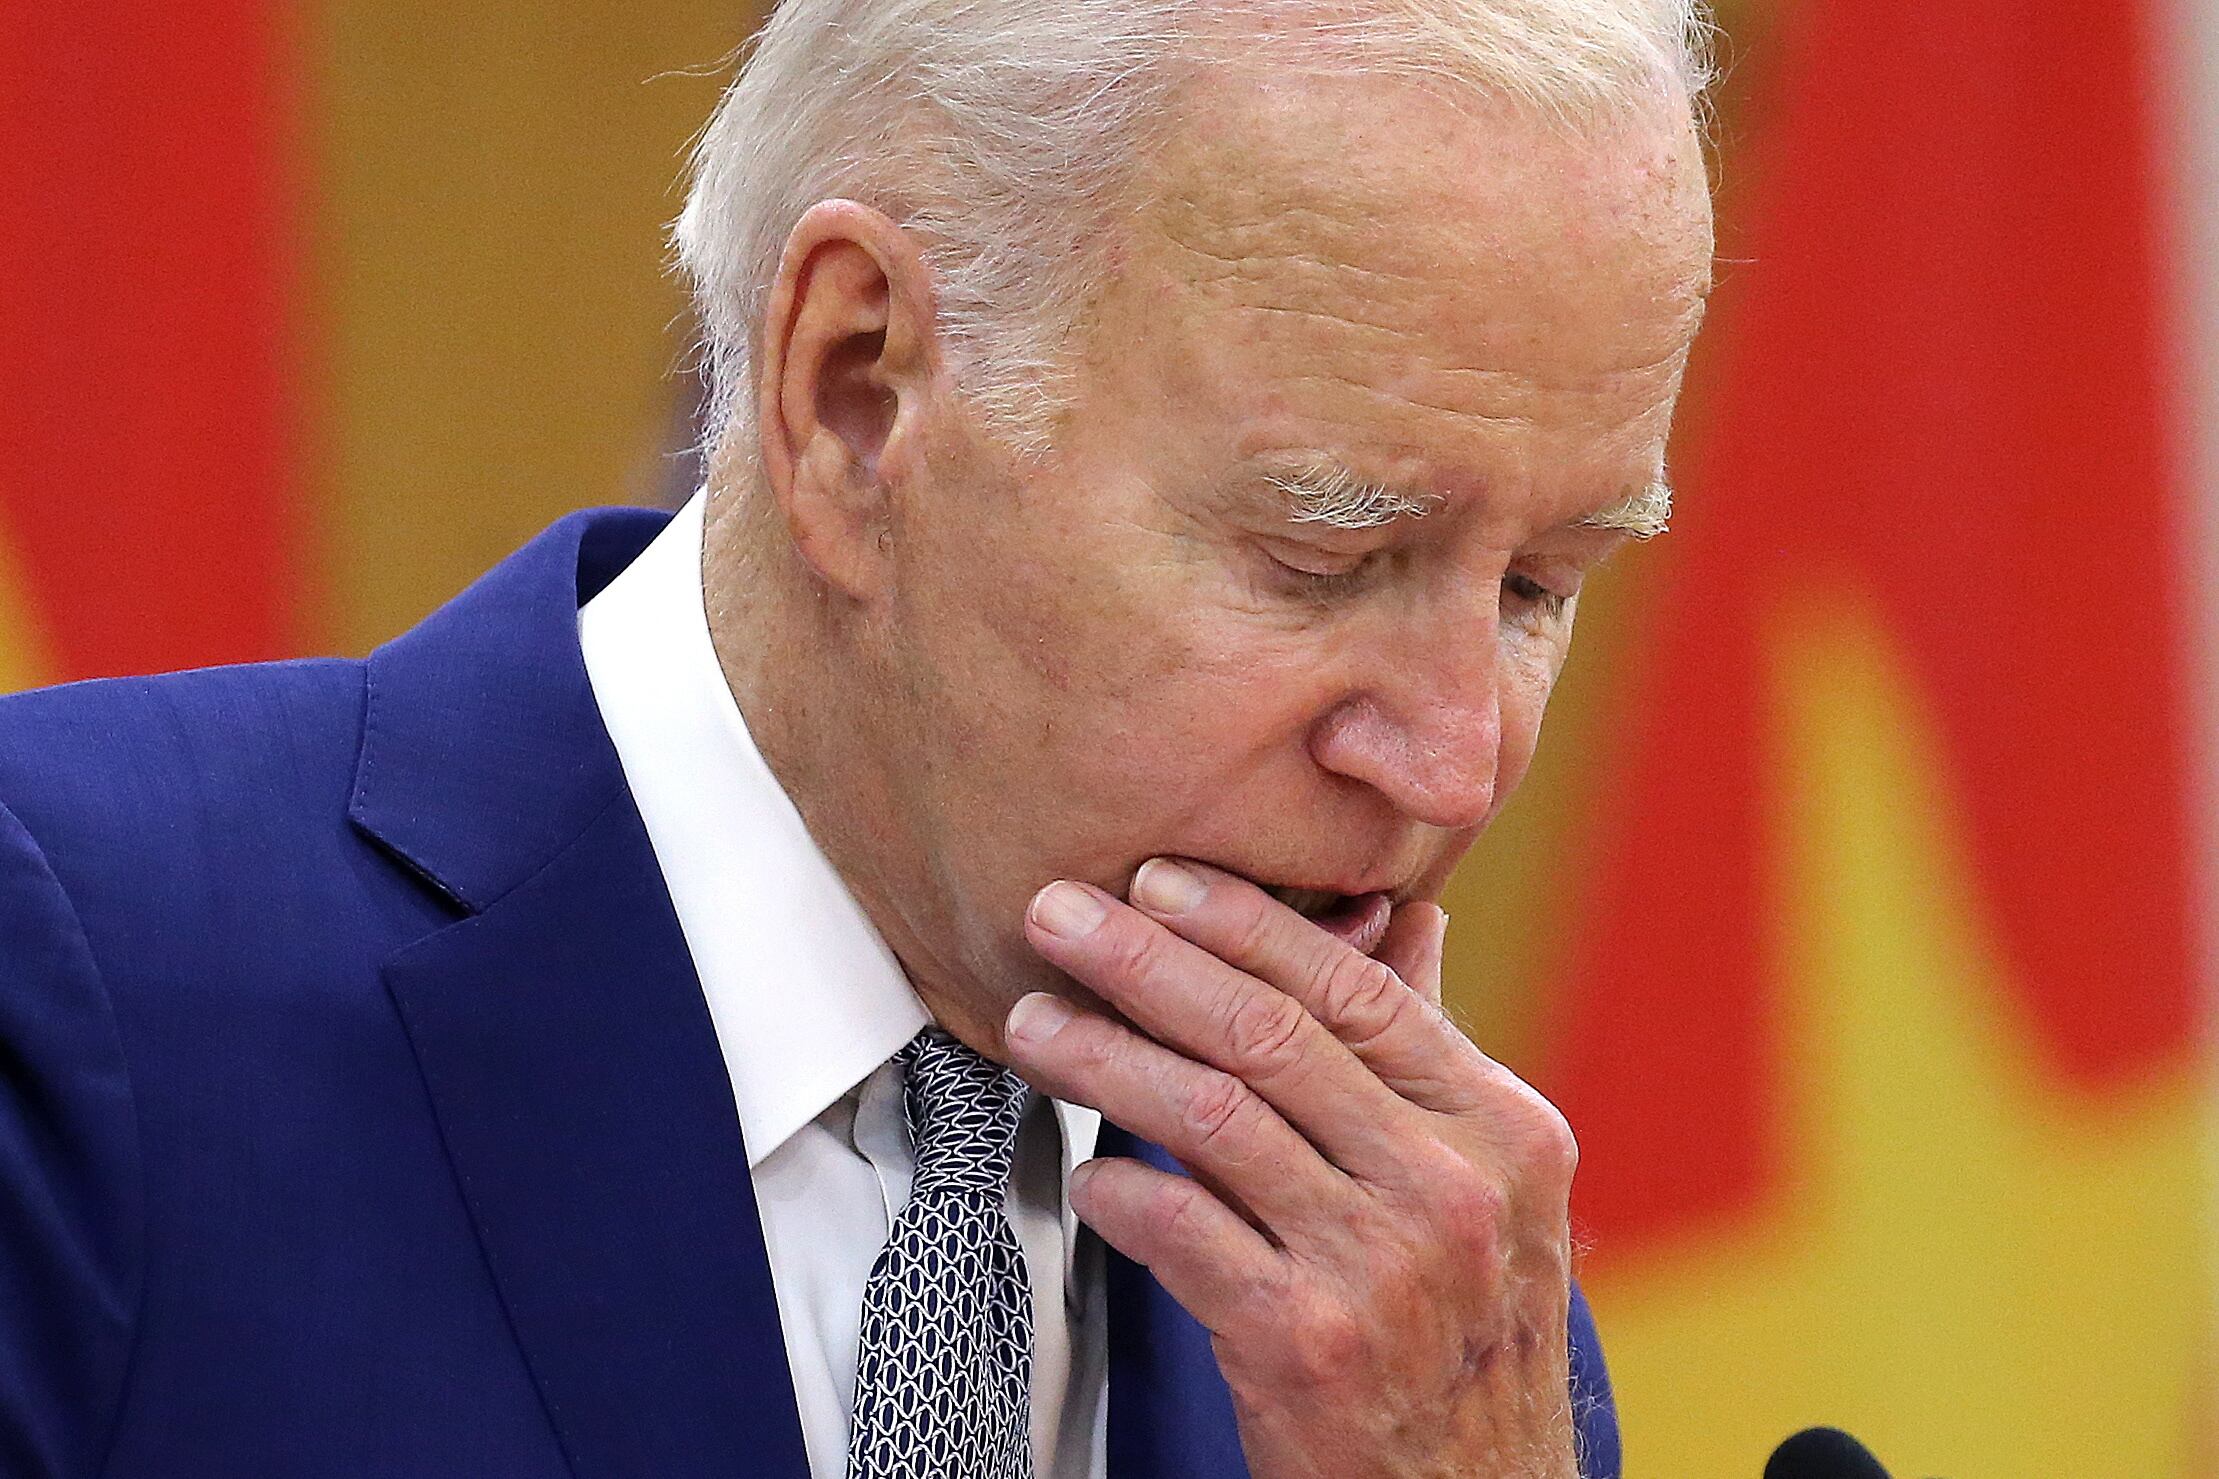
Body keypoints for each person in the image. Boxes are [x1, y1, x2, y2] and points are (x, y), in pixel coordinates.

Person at [0, 1, 1715, 1475]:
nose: (1455, 763)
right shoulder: (75, 975)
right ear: (856, 391)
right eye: (1323, 558)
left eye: (1540, 591)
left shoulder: (1431, 1322)